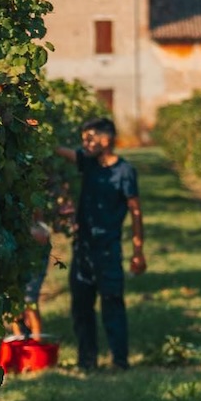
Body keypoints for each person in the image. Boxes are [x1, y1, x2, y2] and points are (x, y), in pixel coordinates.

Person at [55, 116, 145, 370]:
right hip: (82, 247)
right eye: (83, 140)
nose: (85, 144)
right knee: (81, 306)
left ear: (107, 140)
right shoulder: (89, 163)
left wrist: (138, 250)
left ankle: (120, 360)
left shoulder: (124, 172)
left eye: (90, 139)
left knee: (112, 302)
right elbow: (64, 153)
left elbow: (136, 211)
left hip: (108, 248)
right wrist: (41, 137)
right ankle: (87, 360)